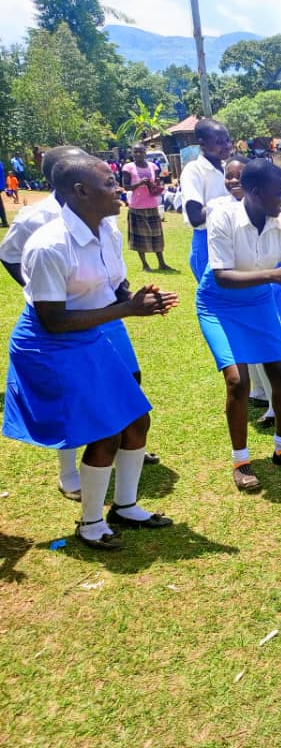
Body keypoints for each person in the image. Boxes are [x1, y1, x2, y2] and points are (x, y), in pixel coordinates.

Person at [2, 155, 178, 550]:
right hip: (50, 345)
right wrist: (128, 310)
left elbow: (113, 287)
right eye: (109, 184)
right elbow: (53, 320)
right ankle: (91, 523)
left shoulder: (107, 230)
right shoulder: (49, 245)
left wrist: (138, 298)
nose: (119, 189)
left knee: (136, 418)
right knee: (106, 427)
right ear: (80, 192)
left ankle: (125, 506)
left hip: (89, 333)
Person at [195, 159, 281, 490]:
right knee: (237, 381)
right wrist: (274, 275)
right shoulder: (223, 217)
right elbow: (222, 276)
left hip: (259, 301)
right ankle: (241, 460)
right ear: (256, 193)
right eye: (279, 193)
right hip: (218, 304)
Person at [181, 119, 232, 279]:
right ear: (202, 144)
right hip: (207, 241)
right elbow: (195, 217)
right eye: (219, 142)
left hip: (232, 240)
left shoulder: (228, 169)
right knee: (214, 292)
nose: (227, 146)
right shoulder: (194, 171)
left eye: (228, 140)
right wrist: (231, 204)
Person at [121, 144, 171, 272]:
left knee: (156, 235)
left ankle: (162, 263)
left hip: (152, 205)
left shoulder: (153, 166)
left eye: (140, 151)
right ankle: (145, 265)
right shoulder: (128, 168)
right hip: (137, 206)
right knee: (140, 237)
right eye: (135, 152)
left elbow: (159, 181)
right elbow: (126, 186)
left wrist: (155, 183)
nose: (138, 154)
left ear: (145, 152)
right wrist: (139, 183)